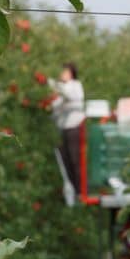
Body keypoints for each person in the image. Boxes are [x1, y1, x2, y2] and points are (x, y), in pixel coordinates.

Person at [49, 63, 86, 193]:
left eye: (65, 71)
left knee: (75, 159)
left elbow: (68, 95)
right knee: (66, 161)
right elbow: (54, 106)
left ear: (71, 73)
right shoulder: (61, 89)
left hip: (74, 127)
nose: (62, 74)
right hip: (63, 128)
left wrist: (51, 83)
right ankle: (75, 190)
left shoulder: (75, 86)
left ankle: (81, 190)